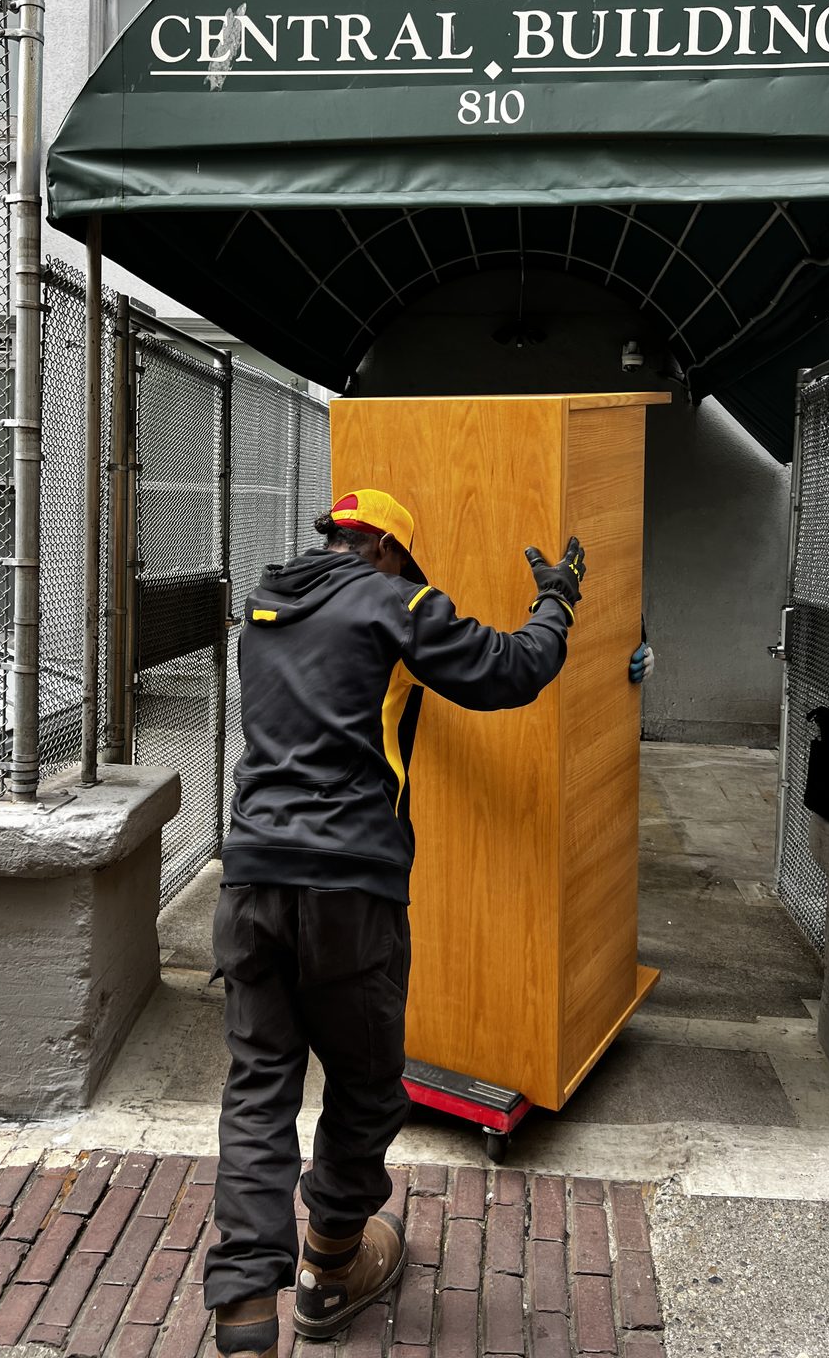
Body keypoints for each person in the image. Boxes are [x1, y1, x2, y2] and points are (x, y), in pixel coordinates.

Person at [203, 489, 652, 1358]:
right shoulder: (393, 603)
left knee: (259, 1087)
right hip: (348, 889)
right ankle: (332, 1265)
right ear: (389, 555)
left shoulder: (263, 612)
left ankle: (245, 1308)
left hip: (252, 879)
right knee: (370, 1087)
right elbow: (514, 670)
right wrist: (557, 600)